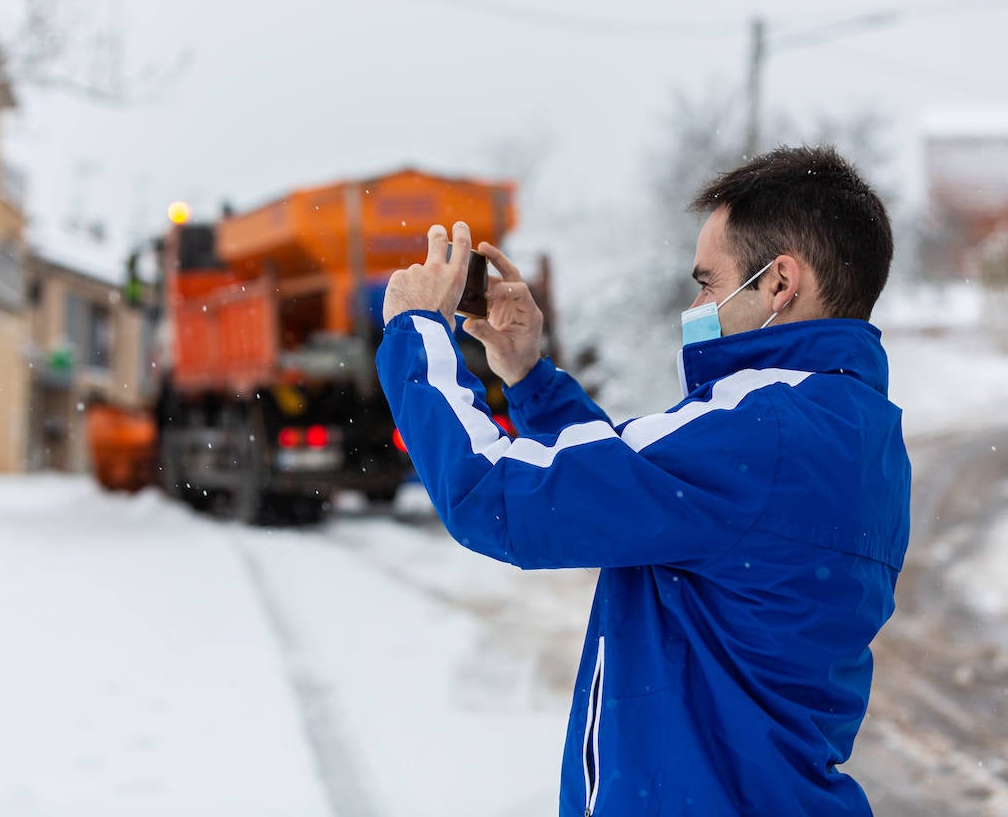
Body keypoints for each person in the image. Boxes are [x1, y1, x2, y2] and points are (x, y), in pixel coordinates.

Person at [376, 145, 910, 815]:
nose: (697, 303)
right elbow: (648, 496)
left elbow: (492, 493)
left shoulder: (761, 429)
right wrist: (529, 377)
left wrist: (415, 334)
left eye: (710, 282)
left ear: (779, 283)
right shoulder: (854, 429)